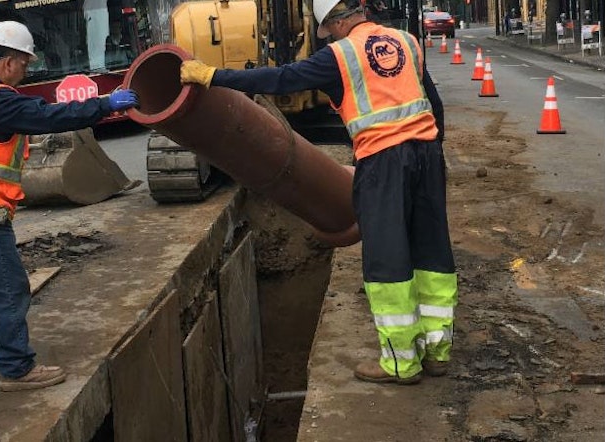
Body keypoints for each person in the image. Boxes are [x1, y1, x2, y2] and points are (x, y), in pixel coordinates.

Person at [180, 0, 457, 385]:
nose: (330, 37)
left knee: (388, 256)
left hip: (383, 161)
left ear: (337, 22)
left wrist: (213, 76)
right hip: (426, 155)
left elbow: (277, 80)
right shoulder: (405, 41)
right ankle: (438, 352)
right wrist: (433, 155)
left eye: (329, 31)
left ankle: (401, 362)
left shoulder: (338, 56)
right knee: (431, 250)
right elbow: (434, 104)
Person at [0, 21, 139, 392]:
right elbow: (48, 117)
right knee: (7, 290)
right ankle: (16, 368)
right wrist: (104, 104)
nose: (24, 73)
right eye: (25, 65)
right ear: (9, 62)